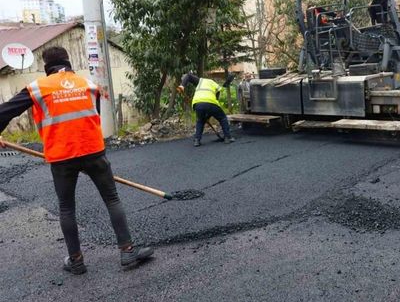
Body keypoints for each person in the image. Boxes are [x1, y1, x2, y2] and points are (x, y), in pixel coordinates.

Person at [0, 46, 153, 275]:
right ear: (68, 62)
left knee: (67, 208)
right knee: (112, 199)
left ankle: (76, 260)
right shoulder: (89, 85)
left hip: (62, 156)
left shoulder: (37, 88)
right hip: (93, 151)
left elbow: (5, 111)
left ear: (46, 66)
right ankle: (127, 250)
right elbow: (94, 117)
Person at [178, 72, 234, 147]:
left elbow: (188, 76)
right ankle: (227, 137)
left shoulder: (200, 81)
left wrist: (182, 86)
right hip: (211, 103)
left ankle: (197, 140)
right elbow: (216, 98)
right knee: (223, 118)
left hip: (198, 104)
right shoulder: (214, 84)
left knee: (200, 121)